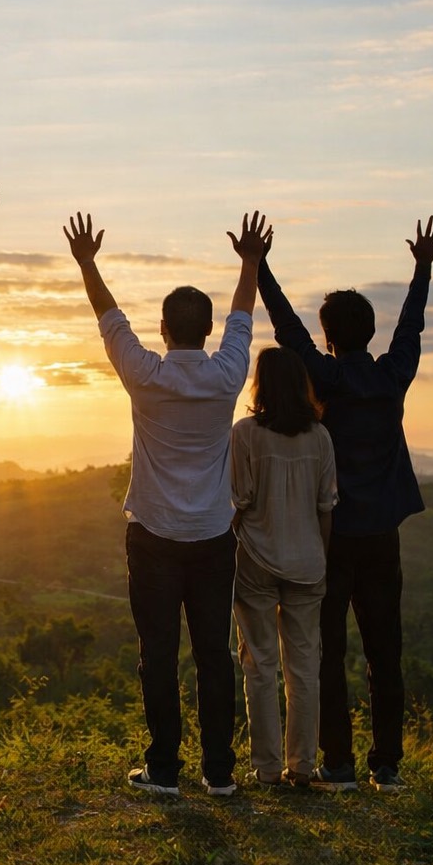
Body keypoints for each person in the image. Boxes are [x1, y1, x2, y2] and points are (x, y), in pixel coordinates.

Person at [64, 208, 272, 797]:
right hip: (212, 536)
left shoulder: (145, 375)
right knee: (214, 654)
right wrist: (251, 263)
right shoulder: (227, 374)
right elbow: (244, 317)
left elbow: (109, 320)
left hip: (154, 536)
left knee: (157, 653)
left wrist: (87, 263)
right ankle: (219, 772)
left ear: (163, 329)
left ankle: (163, 771)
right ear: (207, 331)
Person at [257, 216, 433, 792]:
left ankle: (337, 762)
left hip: (331, 537)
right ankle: (386, 764)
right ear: (369, 332)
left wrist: (258, 265)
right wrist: (422, 268)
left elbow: (288, 330)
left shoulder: (325, 377)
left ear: (330, 338)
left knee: (327, 650)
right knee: (385, 650)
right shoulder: (391, 377)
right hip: (382, 536)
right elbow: (411, 326)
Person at [231, 348, 337, 788]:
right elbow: (326, 507)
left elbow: (238, 499)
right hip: (308, 561)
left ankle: (268, 768)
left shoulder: (245, 434)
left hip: (256, 557)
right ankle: (303, 766)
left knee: (260, 663)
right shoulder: (320, 437)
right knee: (304, 667)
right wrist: (320, 555)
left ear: (261, 385)